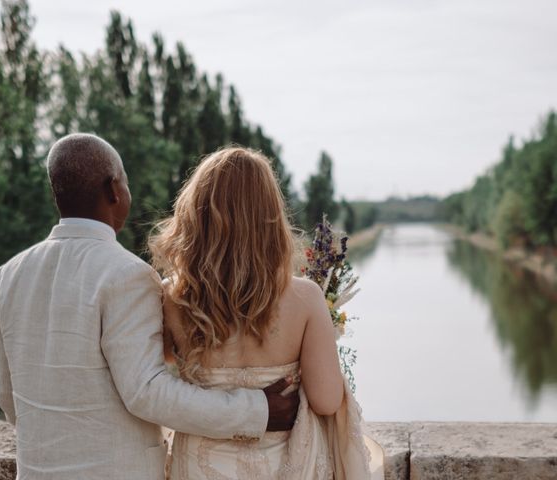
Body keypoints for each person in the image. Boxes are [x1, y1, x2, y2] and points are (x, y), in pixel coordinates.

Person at [0, 134, 299, 479]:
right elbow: (147, 392)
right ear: (114, 190)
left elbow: (7, 395)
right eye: (126, 182)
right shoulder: (127, 274)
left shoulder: (9, 274)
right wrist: (256, 411)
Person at [149, 147, 385, 479]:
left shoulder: (172, 295)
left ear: (195, 214)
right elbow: (327, 401)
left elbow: (160, 374)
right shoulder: (305, 297)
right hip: (282, 466)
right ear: (271, 217)